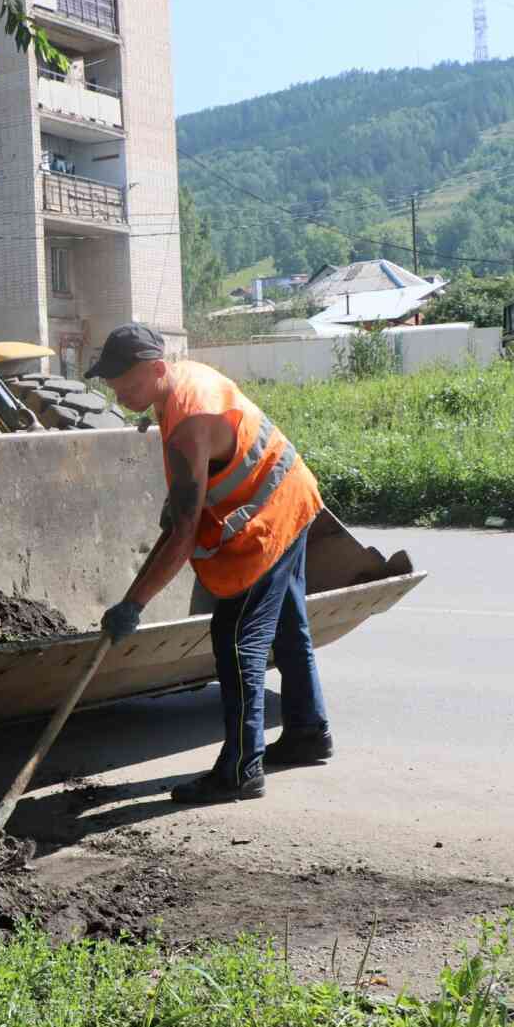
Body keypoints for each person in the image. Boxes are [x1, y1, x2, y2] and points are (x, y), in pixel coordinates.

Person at [89, 324, 333, 804]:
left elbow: (181, 539)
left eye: (129, 385)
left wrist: (133, 604)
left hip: (268, 515)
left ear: (158, 368)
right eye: (114, 387)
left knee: (237, 638)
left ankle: (241, 770)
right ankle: (308, 731)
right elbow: (211, 471)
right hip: (291, 492)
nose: (121, 395)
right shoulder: (183, 380)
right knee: (287, 625)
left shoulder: (188, 418)